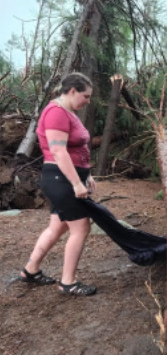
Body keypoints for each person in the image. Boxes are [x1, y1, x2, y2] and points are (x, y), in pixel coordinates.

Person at [20, 72, 97, 296]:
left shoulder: (69, 112)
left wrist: (87, 175)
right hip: (60, 179)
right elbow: (58, 150)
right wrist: (76, 183)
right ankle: (68, 282)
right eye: (86, 96)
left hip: (66, 178)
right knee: (81, 227)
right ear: (72, 91)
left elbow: (78, 149)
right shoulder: (56, 113)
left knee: (58, 226)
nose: (88, 101)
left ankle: (30, 270)